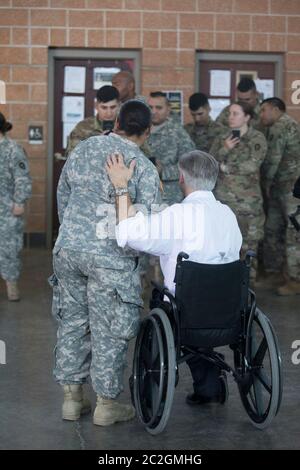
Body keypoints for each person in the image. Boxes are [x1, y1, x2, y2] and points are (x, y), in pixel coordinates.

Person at [50, 100, 161, 426]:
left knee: (72, 321)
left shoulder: (83, 149)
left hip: (69, 250)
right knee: (108, 330)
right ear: (147, 130)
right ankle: (106, 405)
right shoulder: (141, 165)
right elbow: (147, 225)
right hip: (111, 258)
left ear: (116, 121)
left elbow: (62, 197)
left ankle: (72, 400)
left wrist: (73, 234)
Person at [105, 150, 242, 405]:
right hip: (228, 312)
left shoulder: (176, 215)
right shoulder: (228, 215)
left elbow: (128, 234)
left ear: (181, 178)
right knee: (203, 293)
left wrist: (121, 187)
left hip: (186, 314)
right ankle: (209, 384)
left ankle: (155, 385)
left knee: (164, 298)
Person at [210, 101, 267, 279]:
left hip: (248, 204)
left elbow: (252, 165)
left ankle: (248, 286)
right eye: (229, 113)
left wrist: (225, 168)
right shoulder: (222, 138)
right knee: (224, 243)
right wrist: (225, 149)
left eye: (235, 114)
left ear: (247, 117)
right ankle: (227, 284)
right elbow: (211, 162)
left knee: (249, 245)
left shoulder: (256, 138)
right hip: (223, 201)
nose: (231, 117)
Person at [260, 97, 300, 295]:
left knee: (293, 232)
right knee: (272, 229)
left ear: (275, 109)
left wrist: (264, 184)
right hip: (281, 188)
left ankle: (295, 279)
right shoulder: (278, 126)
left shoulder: (281, 126)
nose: (261, 115)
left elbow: (273, 160)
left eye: (264, 110)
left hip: (290, 189)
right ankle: (275, 273)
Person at [0, 112, 31, 301]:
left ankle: (11, 285)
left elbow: (23, 178)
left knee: (9, 249)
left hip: (7, 209)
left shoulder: (13, 150)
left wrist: (19, 202)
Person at [147, 91, 195, 205]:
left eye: (159, 108)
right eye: (150, 107)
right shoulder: (139, 130)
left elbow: (190, 166)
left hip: (169, 197)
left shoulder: (178, 133)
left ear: (168, 109)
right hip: (144, 196)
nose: (154, 111)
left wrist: (163, 171)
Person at [65, 85, 120, 156]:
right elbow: (72, 157)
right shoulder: (82, 128)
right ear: (96, 106)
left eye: (113, 107)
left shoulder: (126, 126)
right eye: (104, 108)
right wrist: (95, 145)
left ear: (119, 105)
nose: (109, 113)